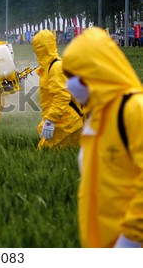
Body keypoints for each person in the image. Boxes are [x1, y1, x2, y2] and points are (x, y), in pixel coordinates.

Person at [62, 27, 143, 248]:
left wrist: (132, 239)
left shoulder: (134, 110)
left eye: (73, 76)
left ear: (95, 72)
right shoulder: (97, 117)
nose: (69, 84)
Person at [32, 29, 83, 149]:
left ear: (42, 48)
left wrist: (50, 120)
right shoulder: (49, 67)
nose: (34, 51)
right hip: (61, 121)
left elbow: (62, 96)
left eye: (36, 47)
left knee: (44, 154)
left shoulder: (56, 67)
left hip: (67, 124)